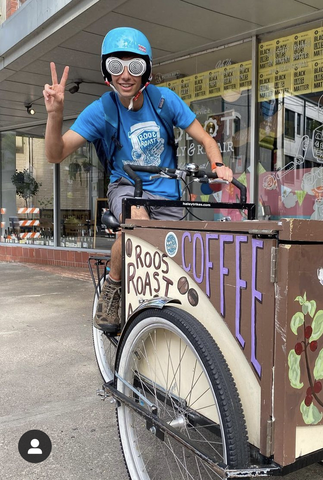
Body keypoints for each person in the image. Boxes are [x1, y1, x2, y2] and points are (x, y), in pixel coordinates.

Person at [43, 27, 233, 333]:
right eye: (117, 66)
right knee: (137, 226)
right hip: (127, 186)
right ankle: (113, 288)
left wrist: (219, 165)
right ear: (107, 70)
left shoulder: (164, 101)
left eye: (135, 66)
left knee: (179, 254)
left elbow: (207, 139)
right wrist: (55, 114)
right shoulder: (102, 110)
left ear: (146, 70)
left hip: (169, 193)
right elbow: (55, 153)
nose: (125, 75)